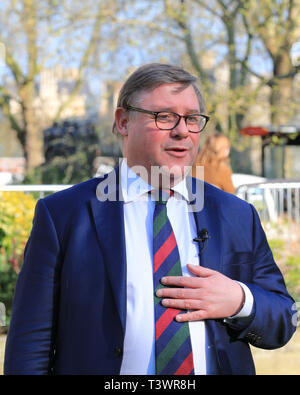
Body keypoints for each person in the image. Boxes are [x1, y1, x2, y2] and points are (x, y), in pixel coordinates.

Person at [4, 63, 296, 375]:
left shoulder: (236, 215)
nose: (182, 130)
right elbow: (29, 347)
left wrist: (240, 300)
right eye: (165, 116)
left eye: (192, 118)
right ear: (123, 121)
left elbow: (283, 318)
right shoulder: (63, 215)